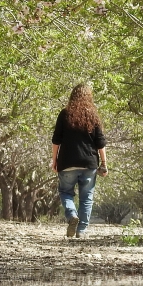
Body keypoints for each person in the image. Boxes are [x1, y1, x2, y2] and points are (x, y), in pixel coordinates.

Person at [51, 84, 108, 238]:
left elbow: (56, 140)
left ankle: (71, 216)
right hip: (89, 163)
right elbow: (100, 143)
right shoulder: (93, 115)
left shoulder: (64, 114)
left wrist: (54, 160)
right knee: (87, 197)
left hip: (67, 161)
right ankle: (81, 231)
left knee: (65, 192)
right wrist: (104, 163)